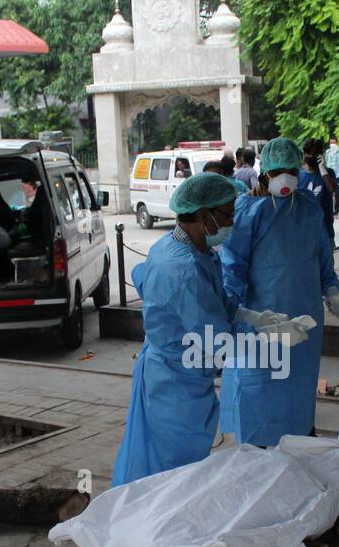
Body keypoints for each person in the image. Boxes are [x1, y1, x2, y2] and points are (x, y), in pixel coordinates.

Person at [113, 174, 306, 485]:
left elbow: (217, 304)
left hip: (180, 376)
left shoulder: (191, 249)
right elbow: (216, 341)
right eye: (229, 214)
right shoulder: (183, 269)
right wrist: (270, 338)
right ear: (204, 215)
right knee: (171, 473)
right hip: (175, 381)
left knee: (173, 466)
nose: (232, 222)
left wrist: (256, 317)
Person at [219, 137, 339, 446]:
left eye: (291, 169)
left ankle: (299, 441)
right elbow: (231, 269)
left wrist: (334, 298)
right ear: (265, 172)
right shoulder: (248, 211)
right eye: (279, 170)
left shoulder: (307, 207)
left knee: (298, 387)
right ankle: (259, 450)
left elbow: (321, 259)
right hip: (263, 320)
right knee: (260, 386)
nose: (286, 177)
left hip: (304, 318)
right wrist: (235, 315)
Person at [300, 137, 339, 250]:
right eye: (308, 154)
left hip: (325, 229)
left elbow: (331, 188)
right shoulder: (298, 174)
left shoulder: (328, 173)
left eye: (314, 155)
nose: (310, 158)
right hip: (304, 230)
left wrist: (322, 169)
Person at [324, 136, 339, 212]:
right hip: (329, 175)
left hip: (337, 175)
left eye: (333, 142)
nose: (332, 144)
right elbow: (325, 162)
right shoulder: (327, 152)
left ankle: (337, 210)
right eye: (331, 143)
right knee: (328, 192)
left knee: (337, 194)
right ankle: (330, 209)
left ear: (337, 143)